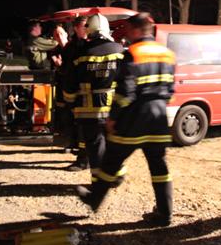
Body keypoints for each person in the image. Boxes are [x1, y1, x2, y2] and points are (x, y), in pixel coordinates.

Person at [77, 12, 176, 227]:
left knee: (111, 161)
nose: (127, 34)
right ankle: (165, 214)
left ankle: (94, 199)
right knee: (159, 167)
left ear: (138, 30)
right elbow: (170, 89)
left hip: (134, 119)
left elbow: (125, 92)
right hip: (159, 119)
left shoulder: (134, 53)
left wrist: (113, 118)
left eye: (129, 30)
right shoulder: (167, 54)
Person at [63, 14, 124, 183]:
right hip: (114, 110)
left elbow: (69, 84)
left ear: (89, 30)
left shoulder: (80, 54)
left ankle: (99, 181)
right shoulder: (119, 51)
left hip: (88, 112)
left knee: (95, 146)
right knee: (114, 143)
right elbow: (127, 81)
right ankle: (117, 174)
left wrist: (70, 103)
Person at [59, 16, 90, 170]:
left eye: (88, 26)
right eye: (84, 26)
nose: (87, 29)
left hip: (88, 93)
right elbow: (66, 69)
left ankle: (84, 158)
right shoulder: (70, 47)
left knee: (85, 127)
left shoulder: (91, 45)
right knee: (73, 122)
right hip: (74, 90)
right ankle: (77, 150)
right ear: (76, 28)